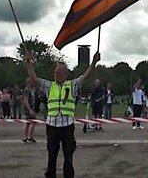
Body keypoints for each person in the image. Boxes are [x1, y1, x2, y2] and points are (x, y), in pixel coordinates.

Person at [26, 50, 100, 178]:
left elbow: (86, 76)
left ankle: (69, 175)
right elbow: (33, 78)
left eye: (58, 73)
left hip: (67, 126)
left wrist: (93, 62)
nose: (56, 75)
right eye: (55, 73)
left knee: (68, 154)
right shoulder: (49, 86)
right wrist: (28, 63)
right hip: (52, 126)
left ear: (65, 74)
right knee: (52, 155)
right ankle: (51, 175)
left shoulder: (72, 85)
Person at [22, 77, 38, 143]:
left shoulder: (31, 90)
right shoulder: (27, 90)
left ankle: (26, 137)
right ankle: (29, 137)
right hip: (28, 109)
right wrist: (30, 109)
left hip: (31, 108)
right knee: (33, 122)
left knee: (28, 123)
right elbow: (26, 100)